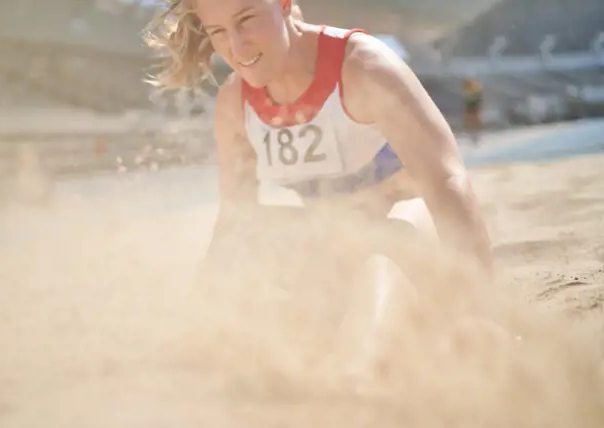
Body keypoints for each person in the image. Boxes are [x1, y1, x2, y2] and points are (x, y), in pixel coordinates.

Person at [144, 0, 493, 356]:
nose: (236, 46)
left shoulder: (364, 69)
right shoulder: (235, 103)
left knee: (384, 251)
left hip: (408, 227)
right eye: (218, 32)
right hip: (334, 237)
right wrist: (203, 313)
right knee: (249, 247)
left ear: (283, 5)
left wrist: (479, 310)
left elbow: (446, 179)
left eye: (247, 20)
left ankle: (367, 364)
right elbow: (236, 223)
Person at [463, 78, 484, 145]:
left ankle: (475, 134)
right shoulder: (470, 90)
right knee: (472, 119)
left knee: (474, 119)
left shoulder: (475, 89)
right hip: (471, 107)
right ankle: (473, 134)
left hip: (473, 106)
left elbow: (478, 100)